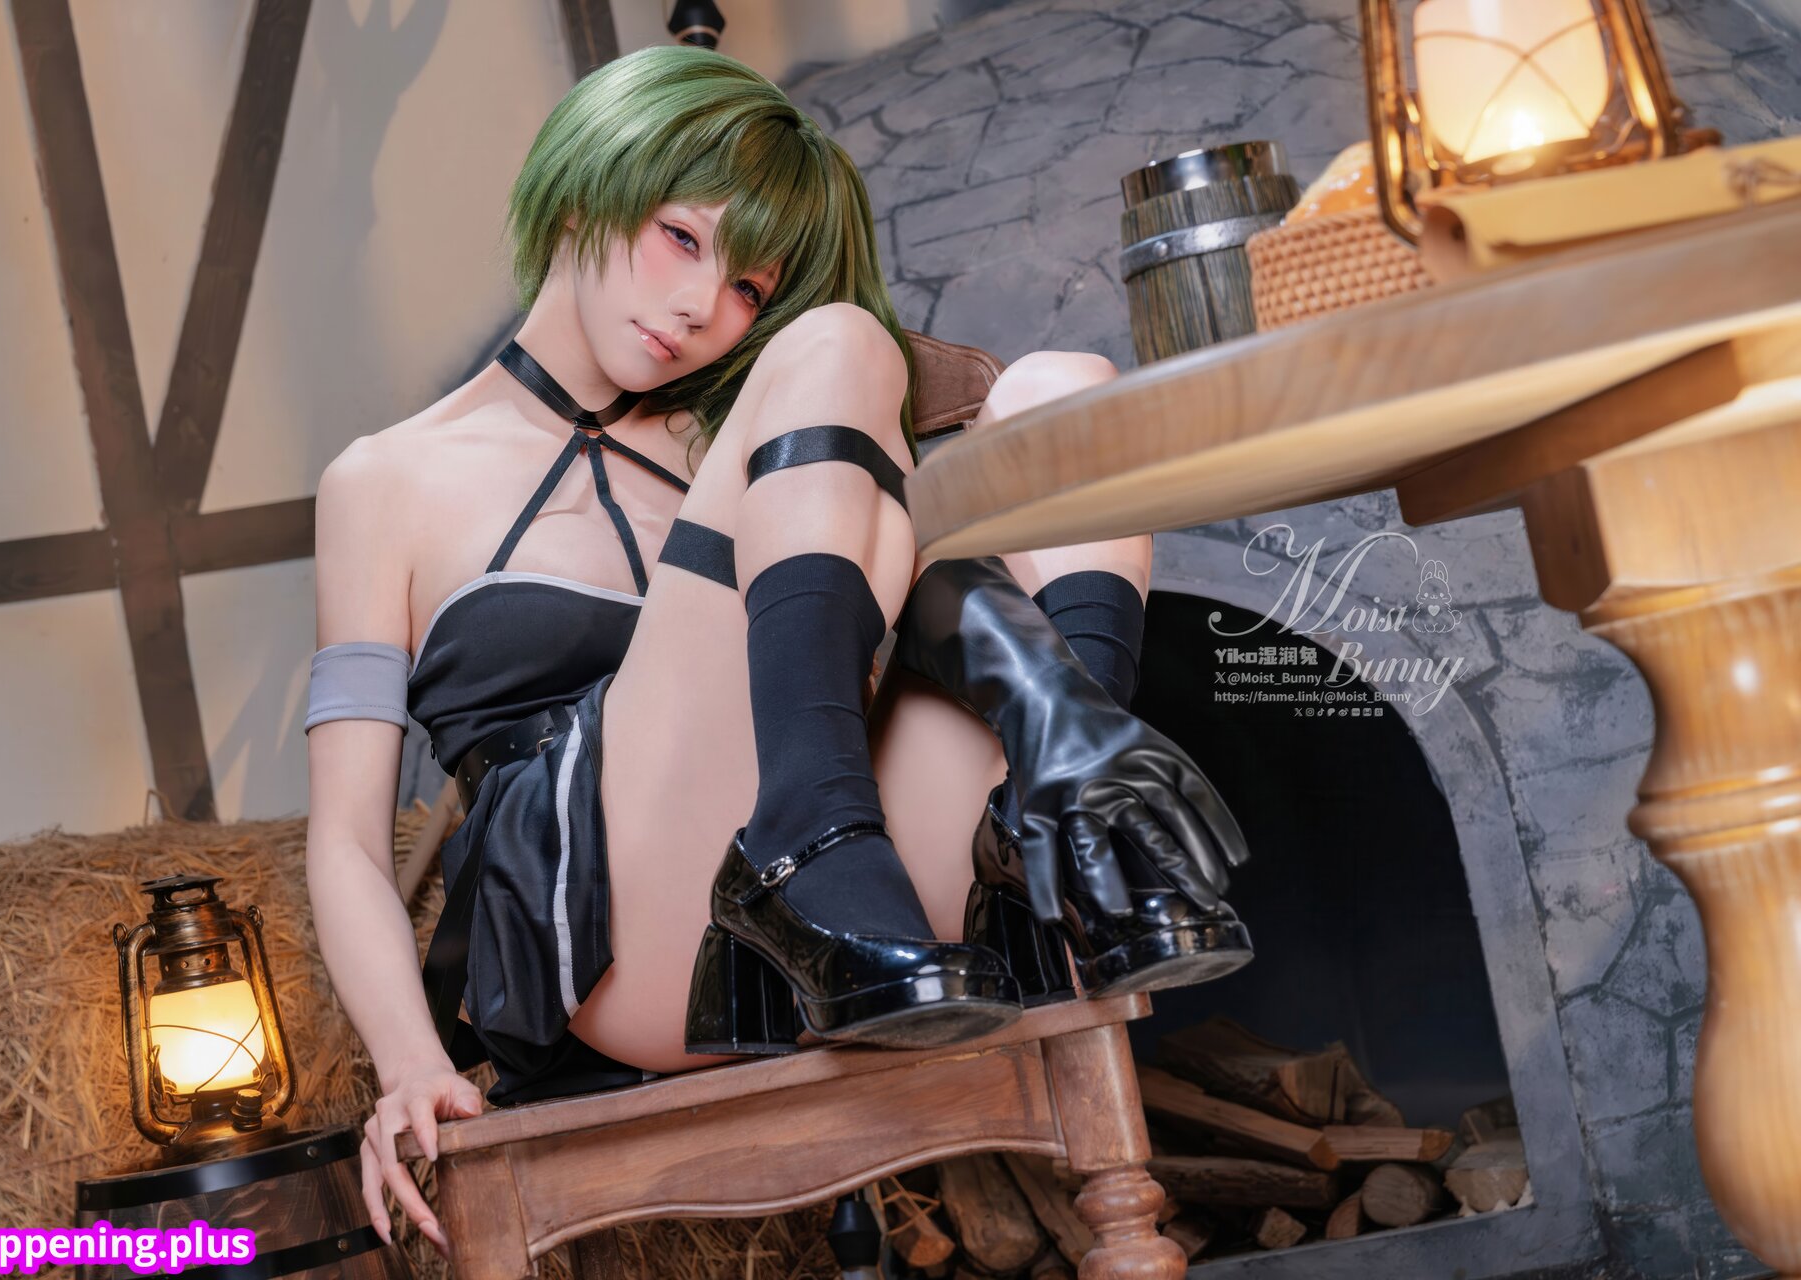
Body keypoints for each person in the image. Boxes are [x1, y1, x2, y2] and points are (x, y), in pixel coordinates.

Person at [302, 44, 1252, 1258]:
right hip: (624, 946)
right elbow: (346, 836)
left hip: (845, 914)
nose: (703, 307)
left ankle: (1051, 838)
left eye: (750, 287)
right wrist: (408, 1062)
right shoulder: (384, 480)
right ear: (585, 186)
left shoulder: (752, 432)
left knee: (1064, 388)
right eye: (680, 238)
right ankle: (1005, 777)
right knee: (842, 343)